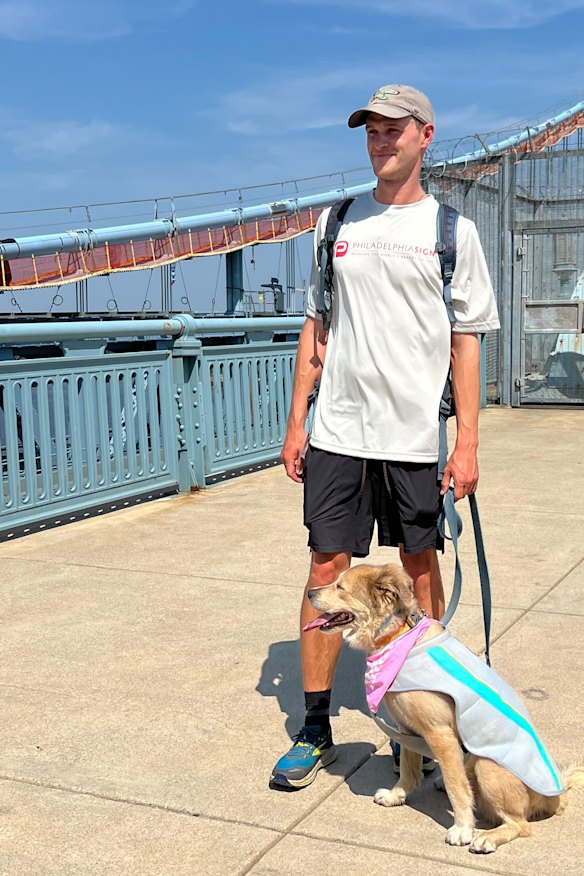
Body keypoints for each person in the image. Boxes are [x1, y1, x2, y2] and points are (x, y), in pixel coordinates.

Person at [270, 85, 500, 791]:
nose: (380, 141)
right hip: (338, 431)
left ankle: (427, 720)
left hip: (410, 437)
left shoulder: (452, 232)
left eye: (394, 130)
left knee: (419, 568)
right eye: (371, 130)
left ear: (426, 135)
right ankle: (315, 728)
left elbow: (467, 343)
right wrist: (296, 421)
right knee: (324, 572)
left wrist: (466, 444)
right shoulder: (335, 221)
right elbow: (317, 325)